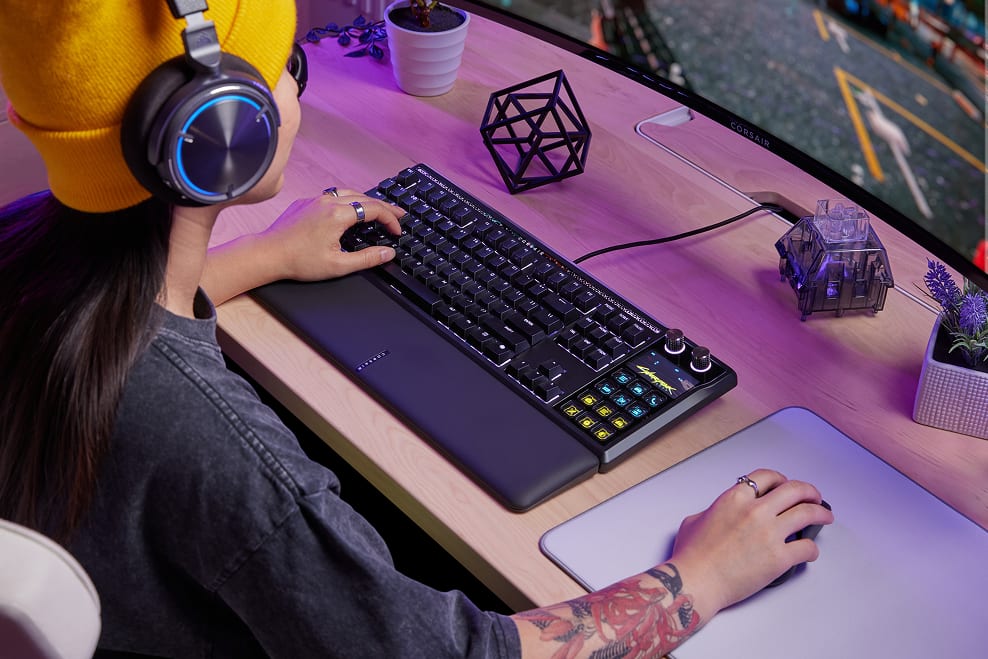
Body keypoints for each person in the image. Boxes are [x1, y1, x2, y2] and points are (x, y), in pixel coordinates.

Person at [0, 1, 834, 657]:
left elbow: (113, 317)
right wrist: (698, 578)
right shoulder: (215, 450)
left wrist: (263, 254)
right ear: (224, 132)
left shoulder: (21, 249)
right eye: (286, 67)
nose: (296, 86)